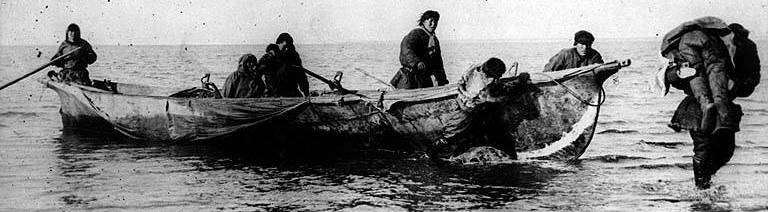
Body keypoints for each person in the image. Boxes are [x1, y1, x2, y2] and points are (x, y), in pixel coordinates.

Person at [659, 17, 742, 189]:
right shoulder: (718, 41)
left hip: (707, 104)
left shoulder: (680, 44)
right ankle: (702, 188)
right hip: (704, 107)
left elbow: (667, 76)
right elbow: (668, 76)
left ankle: (703, 184)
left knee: (725, 150)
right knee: (706, 148)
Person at [390, 10, 448, 89]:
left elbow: (438, 63)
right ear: (424, 22)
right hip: (409, 78)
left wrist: (443, 81)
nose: (433, 24)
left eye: (435, 21)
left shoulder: (435, 40)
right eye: (431, 21)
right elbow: (406, 49)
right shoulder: (415, 34)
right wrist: (416, 63)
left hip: (424, 79)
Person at [273, 33, 310, 97]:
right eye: (284, 47)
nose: (286, 49)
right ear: (278, 44)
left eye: (288, 47)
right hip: (274, 92)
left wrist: (306, 93)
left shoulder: (293, 55)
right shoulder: (271, 56)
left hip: (291, 91)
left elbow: (301, 76)